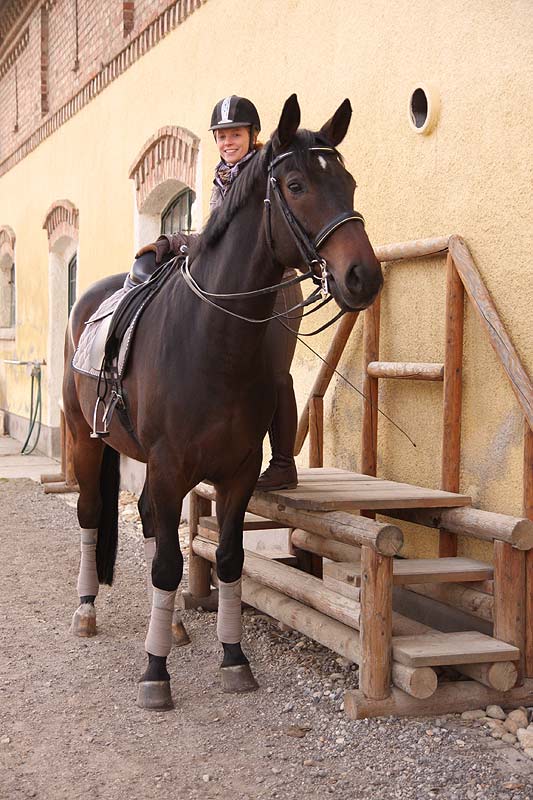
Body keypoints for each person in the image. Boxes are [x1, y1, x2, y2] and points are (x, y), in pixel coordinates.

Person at [130, 96, 302, 490]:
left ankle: (282, 463)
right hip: (242, 289)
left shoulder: (264, 174)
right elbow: (216, 240)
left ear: (252, 136)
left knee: (273, 371)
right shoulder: (221, 177)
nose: (228, 142)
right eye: (222, 135)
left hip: (275, 287)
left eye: (235, 134)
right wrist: (173, 242)